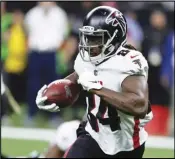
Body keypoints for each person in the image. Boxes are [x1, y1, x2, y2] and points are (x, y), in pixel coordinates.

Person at [36, 6, 153, 158]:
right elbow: (77, 80)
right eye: (88, 37)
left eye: (97, 38)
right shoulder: (86, 58)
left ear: (115, 37)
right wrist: (53, 93)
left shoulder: (130, 62)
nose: (90, 44)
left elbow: (139, 105)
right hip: (94, 134)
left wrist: (98, 88)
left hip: (127, 143)